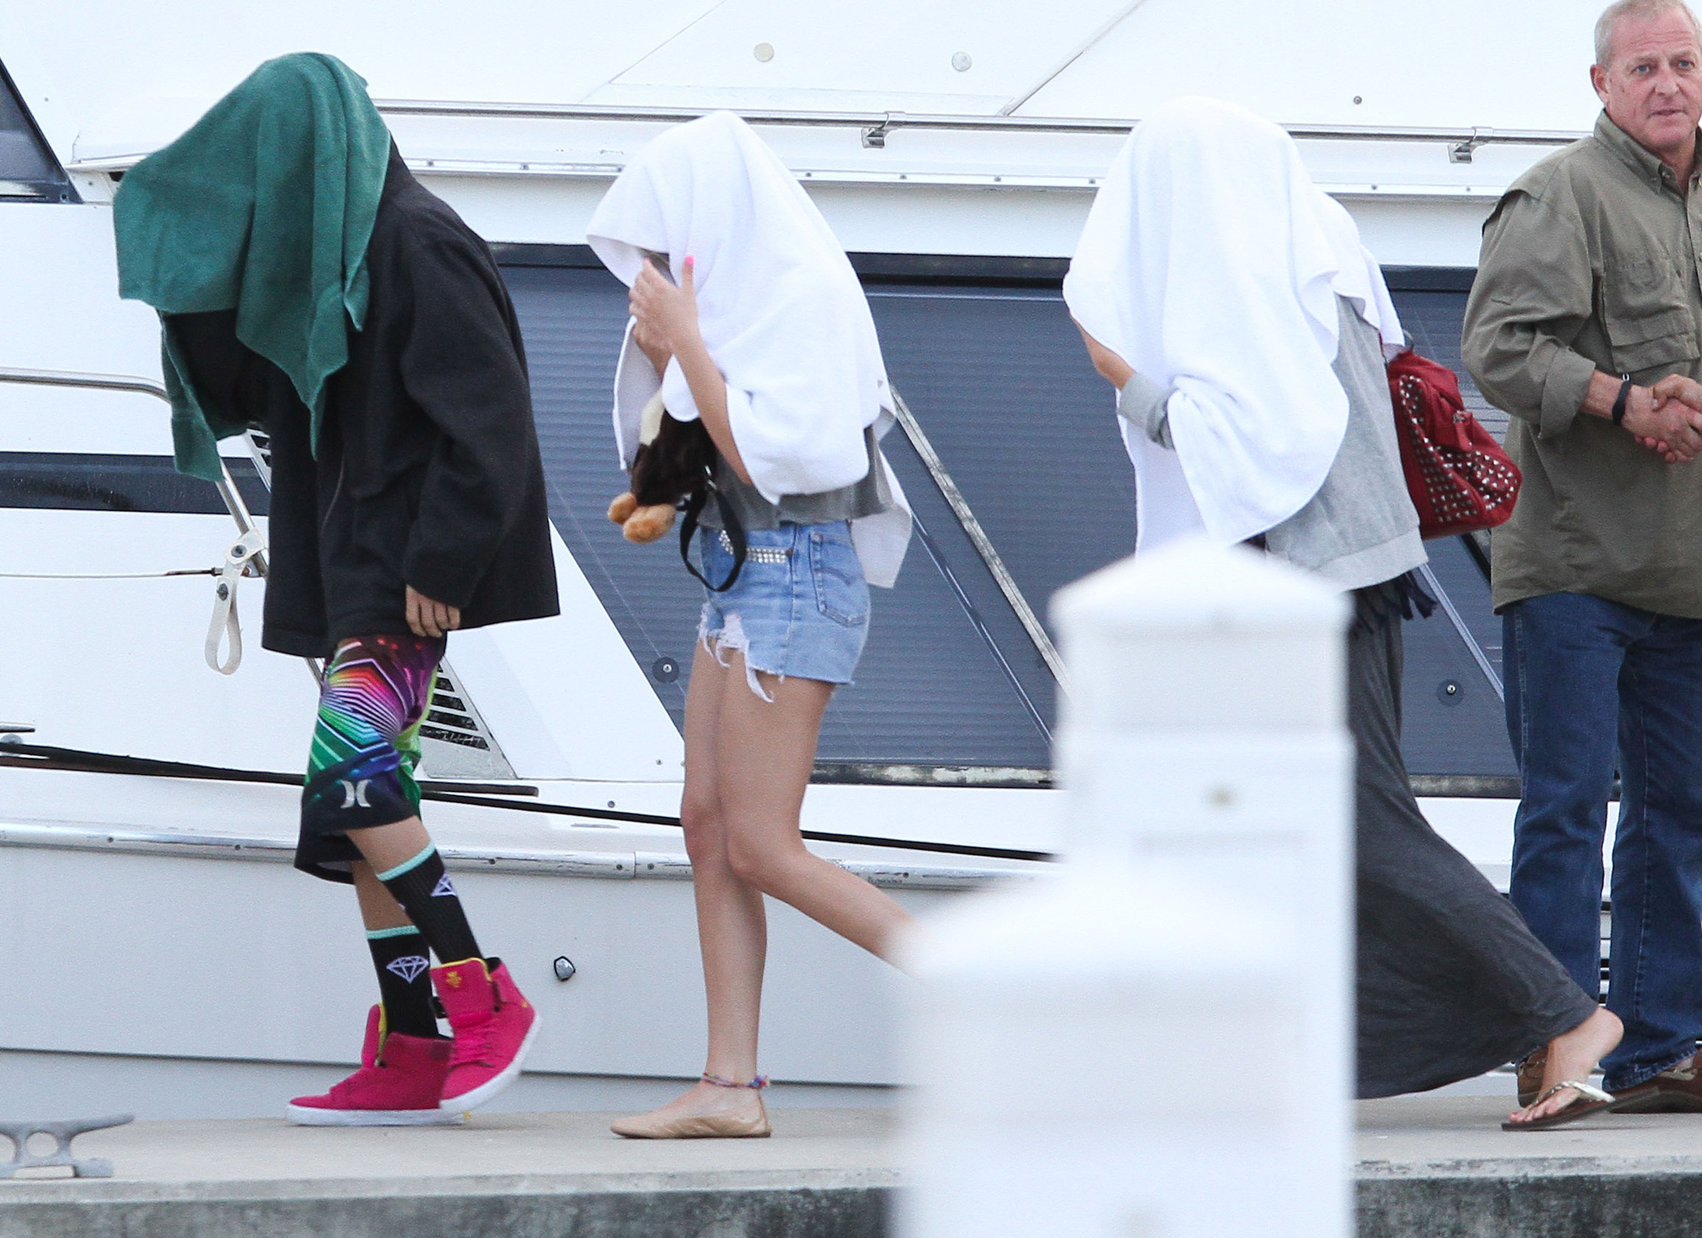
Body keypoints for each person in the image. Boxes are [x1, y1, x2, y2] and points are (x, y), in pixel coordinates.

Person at [1067, 96, 1621, 1129]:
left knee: (1353, 817)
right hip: (1331, 575)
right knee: (1268, 828)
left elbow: (1267, 444)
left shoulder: (1245, 280)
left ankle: (1566, 1011)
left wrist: (1132, 384)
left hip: (1311, 583)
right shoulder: (1305, 249)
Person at [112, 54, 560, 1125]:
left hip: (411, 577)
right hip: (356, 565)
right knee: (349, 807)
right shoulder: (331, 258)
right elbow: (263, 374)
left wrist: (444, 563)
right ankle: (410, 1043)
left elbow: (492, 421)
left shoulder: (417, 240)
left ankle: (479, 994)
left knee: (355, 777)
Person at [585, 111, 915, 1139]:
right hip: (744, 574)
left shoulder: (798, 297)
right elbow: (700, 449)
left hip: (796, 568)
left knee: (762, 843)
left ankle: (1016, 1009)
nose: (645, 267)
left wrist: (684, 341)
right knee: (708, 829)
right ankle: (729, 1087)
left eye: (654, 244)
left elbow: (791, 457)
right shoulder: (742, 296)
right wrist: (676, 348)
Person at [1462, 0, 1702, 1115]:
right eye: (1643, 65)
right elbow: (1498, 350)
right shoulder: (1562, 190)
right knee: (1566, 805)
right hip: (1569, 563)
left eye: (1684, 63)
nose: (1667, 83)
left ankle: (1660, 1048)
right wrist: (1622, 399)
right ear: (1599, 83)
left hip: (1687, 570)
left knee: (1682, 811)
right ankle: (1554, 1049)